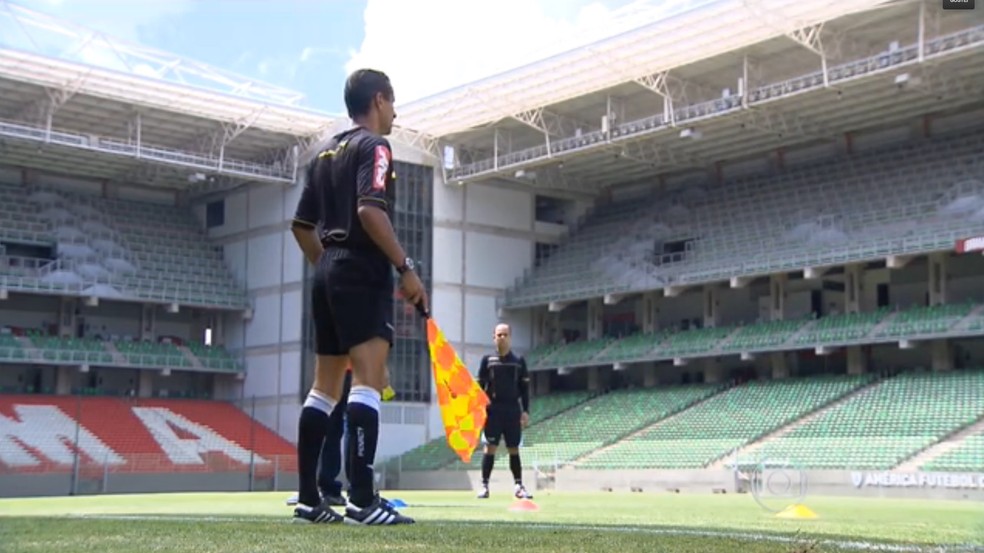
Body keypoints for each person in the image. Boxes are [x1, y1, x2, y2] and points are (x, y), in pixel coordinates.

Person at [289, 68, 424, 526]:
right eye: (393, 102)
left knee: (323, 389)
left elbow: (301, 226)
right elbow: (369, 209)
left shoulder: (324, 154)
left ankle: (309, 500)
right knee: (368, 381)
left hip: (327, 269)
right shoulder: (375, 146)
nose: (395, 113)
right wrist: (405, 267)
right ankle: (362, 500)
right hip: (362, 269)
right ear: (380, 100)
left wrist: (328, 269)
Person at [476, 323, 533, 500]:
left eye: (505, 334)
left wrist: (526, 411)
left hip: (512, 410)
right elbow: (479, 388)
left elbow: (525, 389)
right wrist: (478, 409)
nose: (502, 338)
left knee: (513, 448)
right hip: (493, 410)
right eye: (499, 335)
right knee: (490, 447)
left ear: (510, 337)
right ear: (494, 337)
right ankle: (484, 486)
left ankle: (518, 486)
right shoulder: (487, 361)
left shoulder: (519, 361)